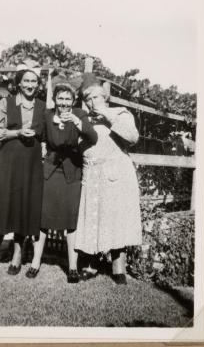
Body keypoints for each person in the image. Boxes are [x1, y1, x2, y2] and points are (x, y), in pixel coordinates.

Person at [26, 80, 98, 283]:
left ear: (73, 100)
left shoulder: (80, 115)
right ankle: (35, 263)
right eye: (61, 98)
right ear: (55, 100)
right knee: (42, 219)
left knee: (70, 221)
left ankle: (72, 267)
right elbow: (38, 133)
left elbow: (93, 137)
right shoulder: (47, 115)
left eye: (68, 98)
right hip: (49, 172)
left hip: (71, 173)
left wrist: (77, 122)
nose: (64, 102)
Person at [75, 76, 142, 284]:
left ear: (105, 97)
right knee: (92, 218)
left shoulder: (120, 113)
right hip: (91, 173)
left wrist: (105, 113)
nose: (92, 102)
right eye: (88, 98)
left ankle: (118, 267)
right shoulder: (82, 119)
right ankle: (90, 264)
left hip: (115, 174)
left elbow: (132, 137)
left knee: (114, 219)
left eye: (96, 97)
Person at [0, 69, 45, 276]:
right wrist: (16, 132)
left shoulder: (43, 107)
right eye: (26, 81)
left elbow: (49, 136)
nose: (30, 85)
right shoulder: (6, 103)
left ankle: (18, 255)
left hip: (31, 165)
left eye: (34, 82)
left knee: (24, 207)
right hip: (7, 162)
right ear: (19, 84)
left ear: (38, 85)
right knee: (0, 206)